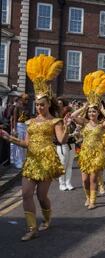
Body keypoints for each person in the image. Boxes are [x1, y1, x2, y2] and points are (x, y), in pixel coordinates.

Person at [0, 55, 70, 241]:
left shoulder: (56, 120)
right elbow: (26, 144)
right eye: (37, 104)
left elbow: (62, 140)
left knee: (41, 196)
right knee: (25, 193)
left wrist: (69, 127)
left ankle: (47, 218)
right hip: (31, 160)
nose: (39, 107)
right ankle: (32, 228)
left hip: (46, 161)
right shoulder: (30, 122)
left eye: (42, 104)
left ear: (48, 104)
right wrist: (9, 137)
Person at [71, 70, 105, 210]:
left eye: (94, 111)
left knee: (93, 178)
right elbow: (72, 116)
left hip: (96, 154)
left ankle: (93, 201)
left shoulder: (101, 125)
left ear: (97, 113)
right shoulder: (84, 122)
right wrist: (84, 107)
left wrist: (102, 109)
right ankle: (88, 197)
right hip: (85, 153)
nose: (92, 113)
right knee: (84, 180)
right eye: (90, 112)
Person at [56, 101, 76, 191]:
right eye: (68, 113)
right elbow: (61, 136)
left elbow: (75, 134)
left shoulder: (72, 122)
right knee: (63, 164)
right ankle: (62, 183)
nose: (69, 115)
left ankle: (68, 183)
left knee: (70, 165)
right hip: (62, 145)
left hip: (72, 144)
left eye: (70, 113)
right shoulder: (60, 123)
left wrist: (76, 133)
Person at [10, 93, 31, 169]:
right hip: (19, 125)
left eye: (28, 99)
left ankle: (23, 160)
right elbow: (14, 119)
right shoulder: (17, 107)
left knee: (25, 143)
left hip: (25, 126)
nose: (27, 101)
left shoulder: (27, 107)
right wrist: (14, 129)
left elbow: (29, 118)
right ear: (21, 99)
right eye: (25, 99)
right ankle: (18, 161)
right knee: (19, 144)